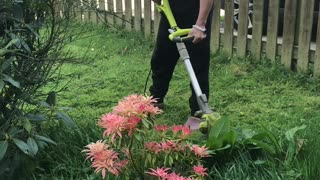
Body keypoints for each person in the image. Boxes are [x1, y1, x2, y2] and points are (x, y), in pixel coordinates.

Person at [149, 0, 214, 116]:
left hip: (197, 13)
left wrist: (200, 25)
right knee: (161, 58)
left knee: (198, 64)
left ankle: (199, 109)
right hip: (171, 11)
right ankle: (155, 100)